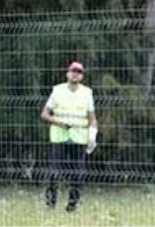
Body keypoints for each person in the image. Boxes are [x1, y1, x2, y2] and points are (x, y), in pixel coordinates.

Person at [39, 60, 98, 212]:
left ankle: (72, 205)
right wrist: (58, 122)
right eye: (73, 71)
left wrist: (92, 136)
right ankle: (50, 204)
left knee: (77, 175)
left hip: (79, 139)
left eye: (79, 72)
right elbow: (45, 114)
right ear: (67, 73)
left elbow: (92, 118)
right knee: (54, 173)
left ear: (82, 76)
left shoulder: (87, 93)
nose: (75, 74)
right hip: (59, 138)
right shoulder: (57, 91)